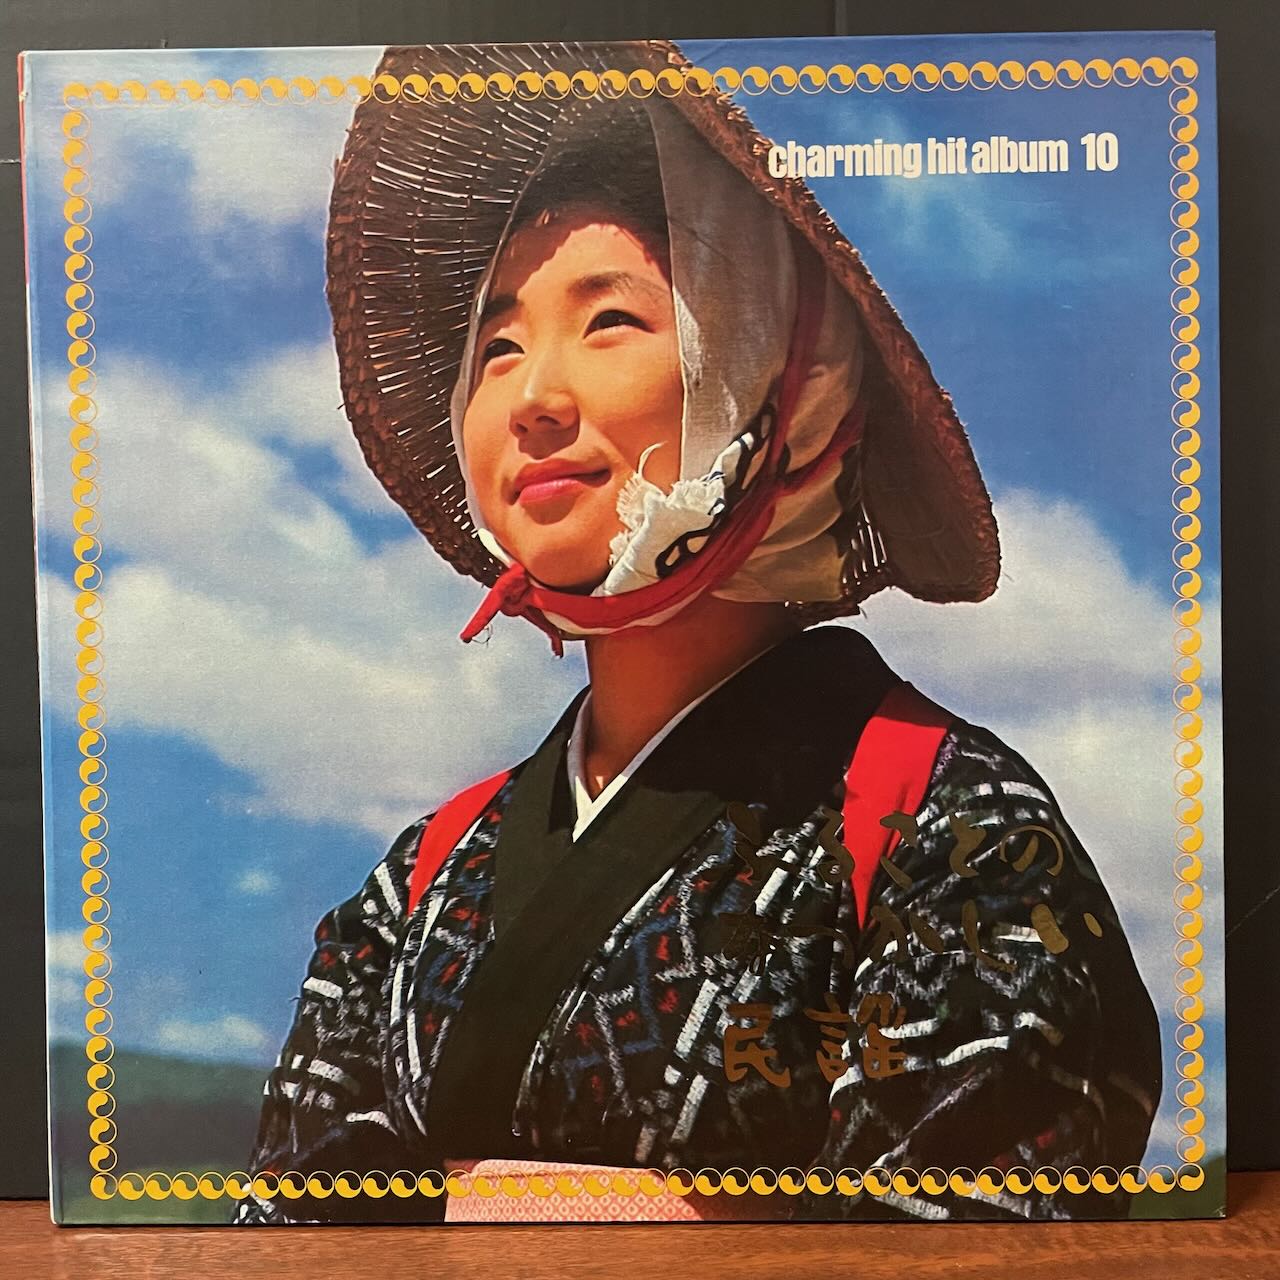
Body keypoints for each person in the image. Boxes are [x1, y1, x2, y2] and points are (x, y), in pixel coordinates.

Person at [236, 40, 1161, 1224]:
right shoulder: (421, 876)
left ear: (774, 369)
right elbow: (292, 1222)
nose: (532, 396)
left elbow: (974, 1236)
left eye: (610, 320)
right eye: (498, 345)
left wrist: (483, 1210)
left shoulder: (958, 830)